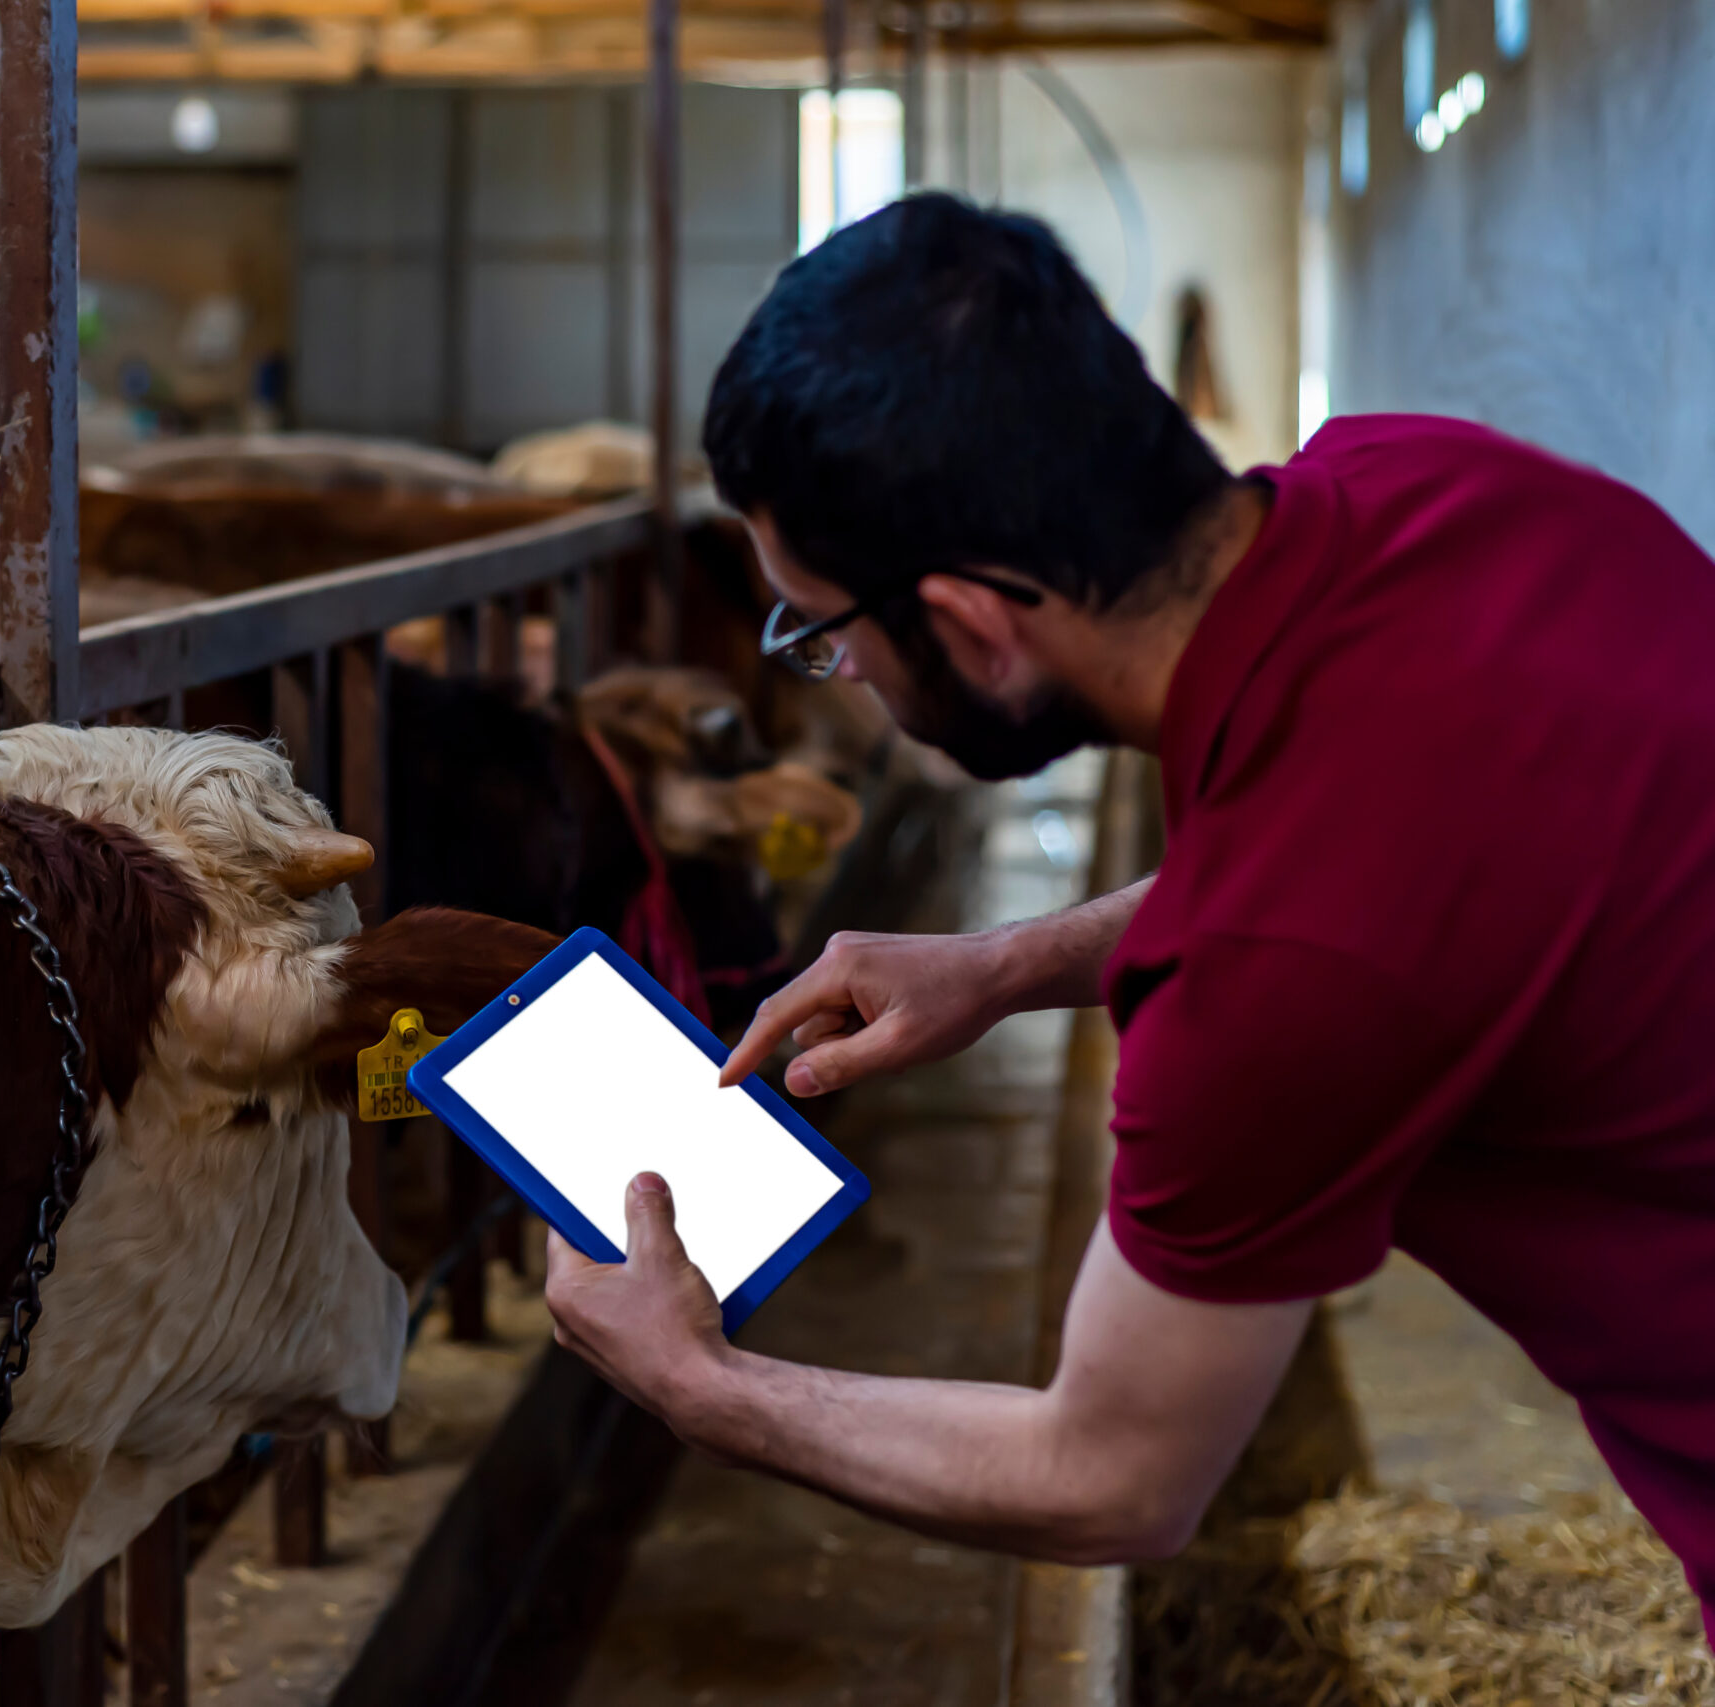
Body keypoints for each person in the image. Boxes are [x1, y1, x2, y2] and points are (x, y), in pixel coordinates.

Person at [539, 192, 1715, 1632]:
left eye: (823, 632)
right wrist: (1007, 964)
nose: (833, 676)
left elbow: (1111, 1476)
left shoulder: (1261, 987)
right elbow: (1405, 863)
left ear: (971, 626)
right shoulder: (1424, 480)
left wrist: (699, 1382)